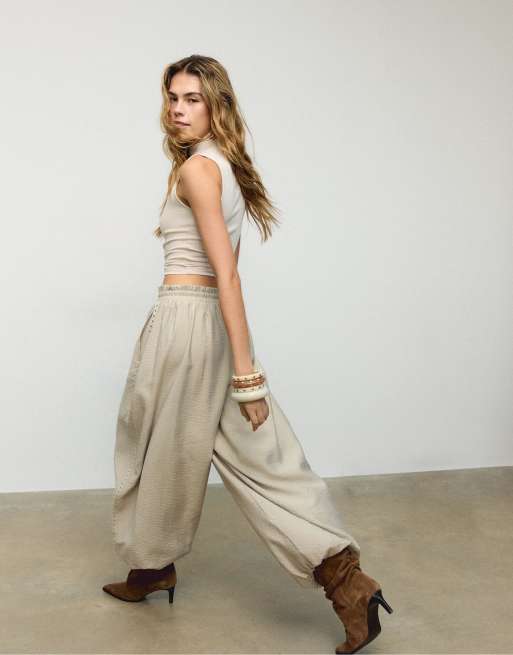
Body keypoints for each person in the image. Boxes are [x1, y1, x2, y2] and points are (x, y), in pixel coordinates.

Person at [102, 54, 393, 654]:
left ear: (217, 105)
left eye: (192, 99)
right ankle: (344, 583)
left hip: (187, 321)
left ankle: (156, 564)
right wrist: (240, 367)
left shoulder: (198, 171)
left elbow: (226, 275)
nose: (178, 109)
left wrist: (247, 377)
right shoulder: (220, 165)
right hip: (206, 324)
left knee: (156, 444)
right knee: (256, 458)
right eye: (173, 97)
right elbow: (227, 278)